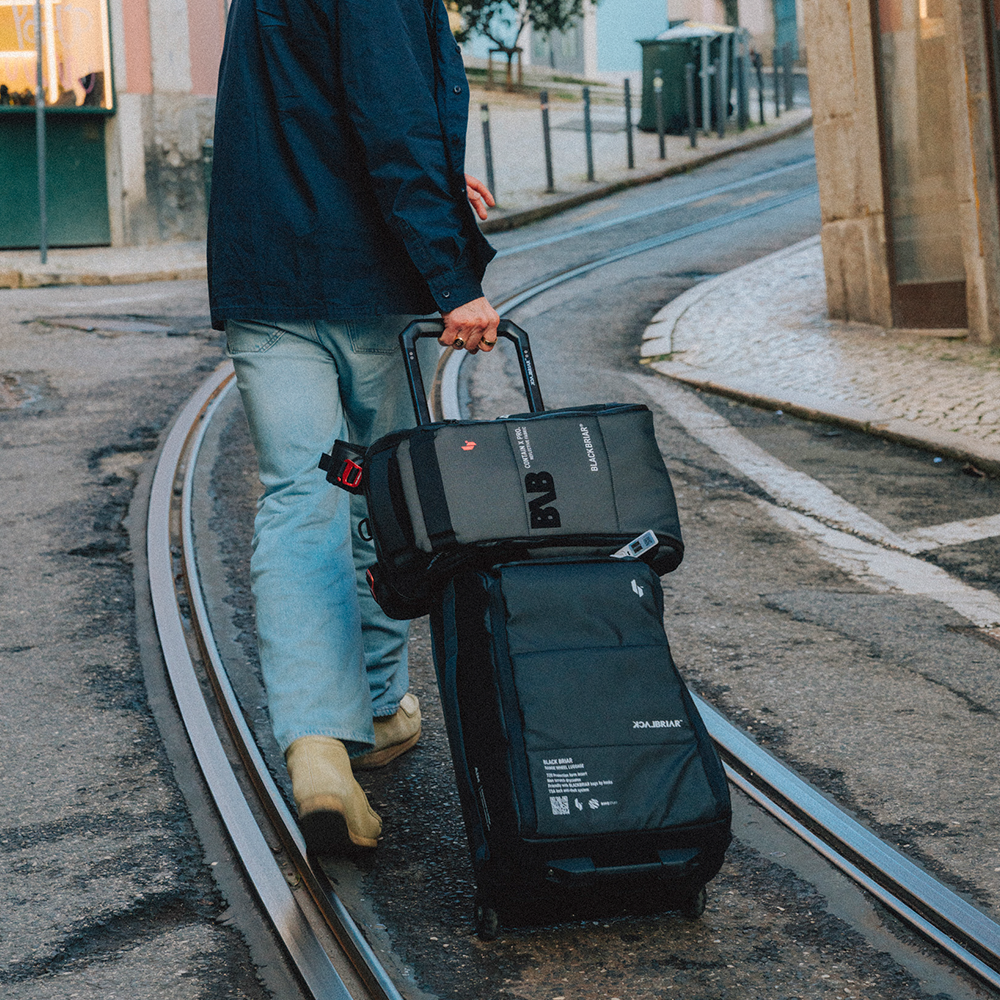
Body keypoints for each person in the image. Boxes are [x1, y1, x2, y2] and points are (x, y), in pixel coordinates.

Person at [206, 0, 499, 854]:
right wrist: (454, 277)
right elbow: (391, 116)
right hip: (364, 282)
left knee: (304, 494)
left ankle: (316, 748)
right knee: (380, 488)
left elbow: (305, 105)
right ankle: (374, 707)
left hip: (265, 275)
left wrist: (444, 185)